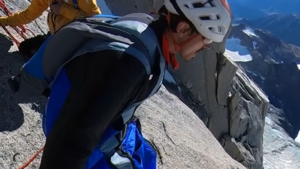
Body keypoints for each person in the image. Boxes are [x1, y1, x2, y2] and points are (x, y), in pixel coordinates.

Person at [9, 0, 232, 168]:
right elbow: (71, 143)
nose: (206, 47)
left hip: (88, 125)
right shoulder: (129, 64)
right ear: (183, 29)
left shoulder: (145, 26)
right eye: (206, 40)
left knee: (145, 154)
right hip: (81, 146)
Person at [0, 0, 101, 60]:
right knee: (25, 48)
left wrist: (63, 9)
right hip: (57, 35)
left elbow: (95, 22)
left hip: (77, 44)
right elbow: (29, 14)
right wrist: (5, 21)